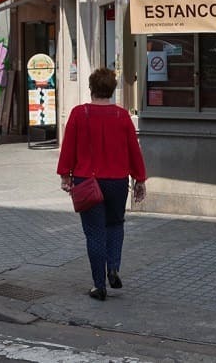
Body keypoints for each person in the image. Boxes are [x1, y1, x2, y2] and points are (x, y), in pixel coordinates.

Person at [56, 68, 147, 302]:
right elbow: (133, 150)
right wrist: (140, 179)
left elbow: (69, 148)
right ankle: (113, 267)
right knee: (116, 225)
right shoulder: (122, 116)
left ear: (91, 88)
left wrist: (65, 175)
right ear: (113, 90)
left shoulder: (79, 113)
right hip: (117, 181)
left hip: (88, 181)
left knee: (95, 233)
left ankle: (99, 285)